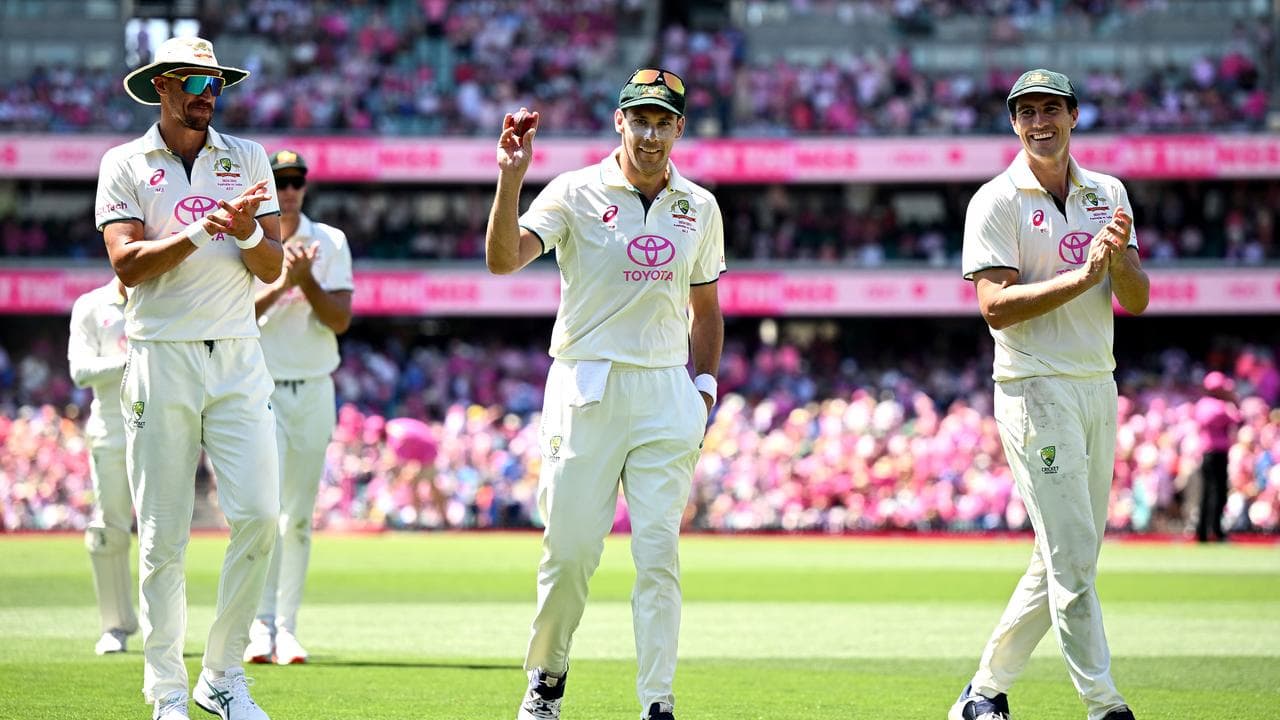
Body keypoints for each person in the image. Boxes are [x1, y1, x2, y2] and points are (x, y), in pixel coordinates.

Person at [484, 68, 725, 720]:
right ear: (619, 122)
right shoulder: (574, 191)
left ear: (679, 128)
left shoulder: (698, 206)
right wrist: (511, 177)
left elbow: (707, 309)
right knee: (569, 554)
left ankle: (657, 702)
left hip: (663, 391)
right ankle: (547, 675)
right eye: (638, 119)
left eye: (662, 121)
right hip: (585, 381)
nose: (650, 134)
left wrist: (701, 392)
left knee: (658, 557)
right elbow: (504, 260)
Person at [95, 36, 284, 720]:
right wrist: (205, 230)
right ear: (162, 88)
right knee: (163, 539)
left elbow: (271, 268)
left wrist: (247, 234)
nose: (209, 96)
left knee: (262, 517)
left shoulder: (248, 157)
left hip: (238, 353)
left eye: (216, 85)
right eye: (196, 84)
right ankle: (167, 692)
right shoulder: (124, 163)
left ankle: (223, 675)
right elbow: (127, 265)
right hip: (159, 354)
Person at [952, 69, 1150, 720]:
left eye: (1051, 110)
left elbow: (1137, 299)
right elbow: (996, 308)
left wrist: (1118, 263)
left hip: (1098, 383)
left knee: (1066, 554)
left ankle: (982, 694)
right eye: (1027, 112)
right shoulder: (997, 200)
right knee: (1071, 560)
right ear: (1014, 123)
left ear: (1073, 116)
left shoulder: (1108, 192)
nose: (1040, 122)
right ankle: (1104, 705)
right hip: (1034, 388)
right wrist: (1083, 273)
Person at [244, 149, 353, 665]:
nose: (288, 191)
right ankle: (258, 627)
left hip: (312, 386)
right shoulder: (251, 238)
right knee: (264, 514)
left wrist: (306, 281)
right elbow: (238, 316)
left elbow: (339, 320)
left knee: (300, 518)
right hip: (259, 389)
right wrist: (284, 281)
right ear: (267, 187)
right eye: (280, 182)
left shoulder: (330, 242)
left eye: (296, 182)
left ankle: (286, 628)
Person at [68, 277, 139, 656]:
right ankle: (116, 626)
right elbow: (80, 371)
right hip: (111, 426)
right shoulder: (92, 305)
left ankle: (166, 628)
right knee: (108, 528)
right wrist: (134, 359)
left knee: (165, 532)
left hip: (164, 425)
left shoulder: (167, 295)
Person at [1193, 371, 1241, 543]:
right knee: (1217, 493)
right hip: (1216, 454)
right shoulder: (1218, 406)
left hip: (1208, 454)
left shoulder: (1203, 404)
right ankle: (1215, 530)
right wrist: (1231, 402)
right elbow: (1236, 418)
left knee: (1207, 493)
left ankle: (1203, 531)